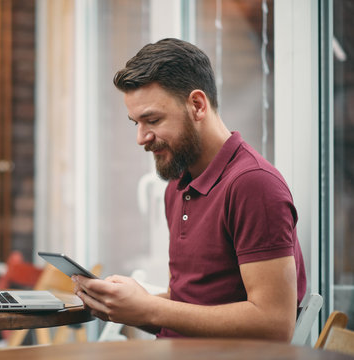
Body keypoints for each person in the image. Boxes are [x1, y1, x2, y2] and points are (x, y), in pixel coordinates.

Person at [72, 38, 306, 341]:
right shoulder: (179, 186)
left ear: (197, 105)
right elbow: (194, 305)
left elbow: (275, 324)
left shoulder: (253, 185)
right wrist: (126, 307)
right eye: (136, 124)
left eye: (152, 120)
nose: (141, 138)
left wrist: (149, 309)